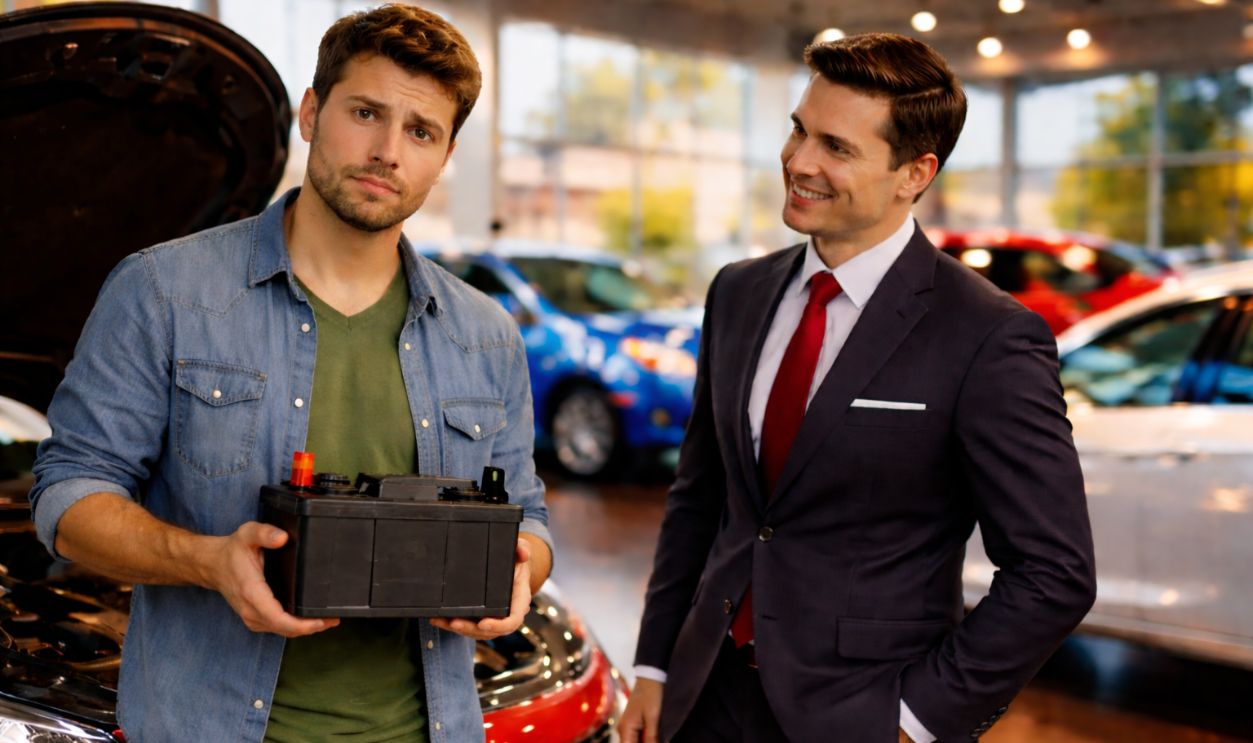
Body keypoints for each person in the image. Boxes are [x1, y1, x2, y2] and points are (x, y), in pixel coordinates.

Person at [30, 5, 552, 741]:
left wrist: (520, 575)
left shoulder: (486, 335)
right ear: (311, 112)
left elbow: (527, 512)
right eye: (365, 112)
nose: (387, 152)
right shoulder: (165, 291)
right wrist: (209, 561)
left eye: (420, 131)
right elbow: (69, 493)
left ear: (444, 154)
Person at [618, 32, 1095, 743]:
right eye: (798, 130)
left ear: (913, 173)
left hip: (860, 712)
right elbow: (700, 498)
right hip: (702, 695)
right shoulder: (738, 292)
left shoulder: (987, 335)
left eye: (835, 148)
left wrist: (916, 718)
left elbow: (1053, 570)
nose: (798, 162)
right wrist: (653, 666)